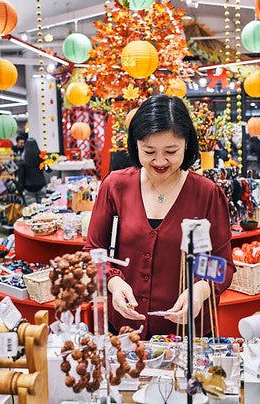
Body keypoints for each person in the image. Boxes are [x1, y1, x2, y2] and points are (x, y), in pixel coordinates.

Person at [85, 95, 235, 339]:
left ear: (187, 145)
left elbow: (222, 263)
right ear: (135, 146)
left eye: (171, 151)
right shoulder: (116, 186)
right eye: (149, 151)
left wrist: (199, 290)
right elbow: (93, 251)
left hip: (188, 332)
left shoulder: (206, 193)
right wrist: (113, 283)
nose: (160, 161)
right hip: (125, 328)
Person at [17, 138, 47, 205]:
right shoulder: (41, 157)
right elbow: (48, 170)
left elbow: (21, 176)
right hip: (41, 185)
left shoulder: (23, 160)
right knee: (42, 209)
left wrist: (20, 191)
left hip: (28, 188)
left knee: (32, 211)